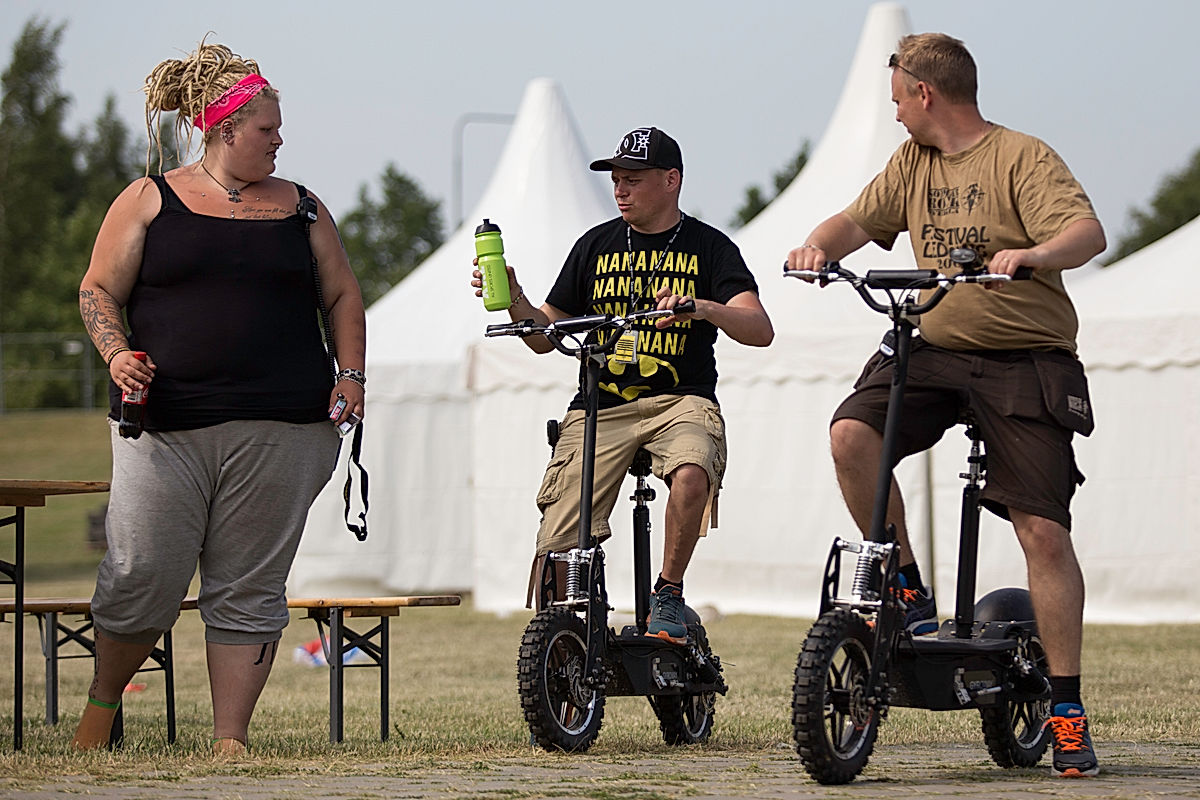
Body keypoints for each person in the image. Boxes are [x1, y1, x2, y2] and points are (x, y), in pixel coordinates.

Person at [786, 34, 1104, 778]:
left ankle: (1064, 710)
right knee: (851, 434)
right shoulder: (911, 164)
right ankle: (906, 587)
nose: (894, 114)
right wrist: (815, 247)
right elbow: (853, 224)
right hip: (931, 345)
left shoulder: (1022, 158)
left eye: (897, 98)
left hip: (1024, 357)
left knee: (1043, 532)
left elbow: (1086, 232)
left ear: (924, 94)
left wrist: (1032, 255)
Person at [74, 39, 366, 754]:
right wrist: (116, 355)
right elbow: (97, 290)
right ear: (224, 128)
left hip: (286, 426)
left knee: (249, 586)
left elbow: (343, 294)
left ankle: (229, 738)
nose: (279, 140)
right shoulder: (151, 198)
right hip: (165, 427)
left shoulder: (302, 207)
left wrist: (351, 375)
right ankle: (99, 715)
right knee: (142, 572)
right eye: (267, 129)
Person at [472, 126, 773, 642]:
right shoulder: (595, 245)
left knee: (692, 467)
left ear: (672, 180)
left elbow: (759, 329)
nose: (620, 190)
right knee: (557, 543)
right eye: (616, 180)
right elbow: (546, 335)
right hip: (600, 406)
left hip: (680, 401)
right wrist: (516, 299)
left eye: (633, 179)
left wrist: (701, 307)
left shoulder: (709, 246)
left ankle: (668, 595)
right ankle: (564, 631)